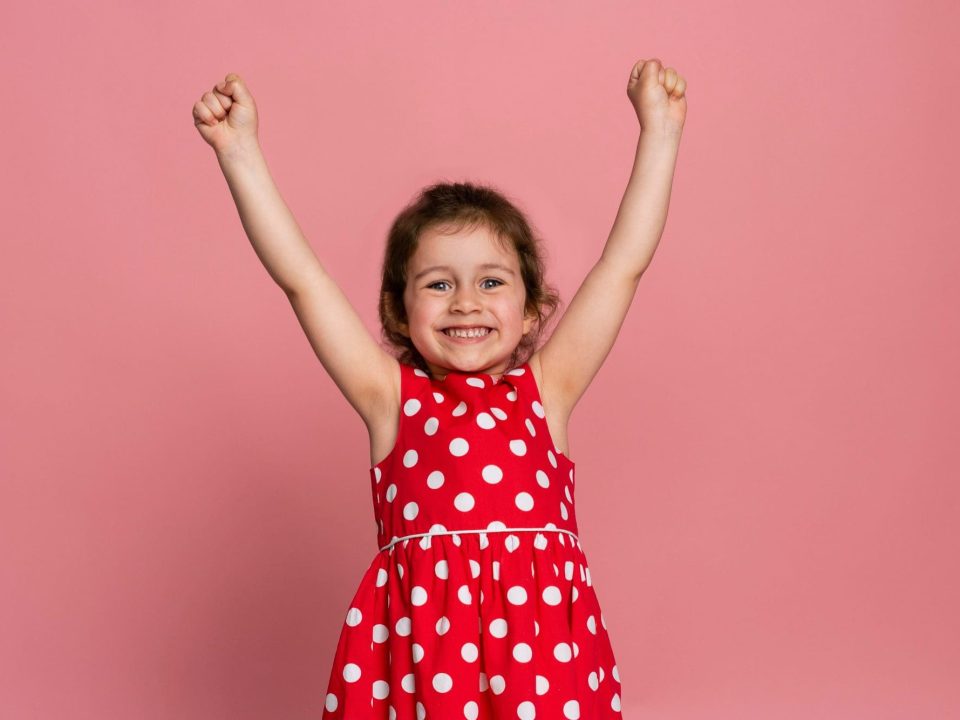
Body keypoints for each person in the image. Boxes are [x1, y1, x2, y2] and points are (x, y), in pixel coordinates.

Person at [192, 58, 686, 719]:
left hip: (541, 663)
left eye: (490, 282)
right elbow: (303, 280)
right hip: (425, 663)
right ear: (398, 312)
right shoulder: (388, 395)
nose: (464, 303)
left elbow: (623, 266)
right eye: (437, 283)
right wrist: (239, 151)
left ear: (534, 309)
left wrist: (660, 131)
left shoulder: (549, 389)